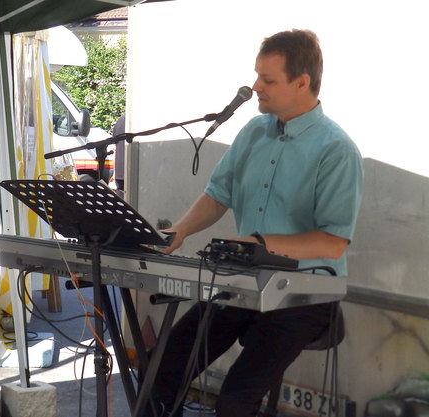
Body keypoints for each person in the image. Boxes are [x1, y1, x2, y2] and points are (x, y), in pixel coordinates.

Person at [146, 29, 363, 417]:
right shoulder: (252, 132)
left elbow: (333, 243)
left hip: (305, 294)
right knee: (161, 368)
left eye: (268, 79)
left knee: (234, 401)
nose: (255, 87)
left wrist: (259, 242)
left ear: (302, 82)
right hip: (242, 284)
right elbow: (218, 195)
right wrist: (178, 231)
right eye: (256, 75)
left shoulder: (337, 150)